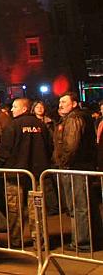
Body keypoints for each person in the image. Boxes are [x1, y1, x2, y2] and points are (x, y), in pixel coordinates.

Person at [0, 97, 52, 248]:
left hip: (15, 175)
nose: (11, 110)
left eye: (15, 107)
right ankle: (39, 241)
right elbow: (49, 147)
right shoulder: (41, 125)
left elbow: (5, 150)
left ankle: (15, 240)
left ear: (24, 108)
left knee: (14, 209)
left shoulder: (12, 126)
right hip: (37, 174)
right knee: (37, 209)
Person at [53, 91, 97, 251]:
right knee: (83, 205)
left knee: (79, 206)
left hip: (75, 168)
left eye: (64, 102)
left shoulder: (73, 119)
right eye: (60, 102)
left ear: (74, 103)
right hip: (80, 166)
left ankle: (82, 241)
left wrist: (63, 163)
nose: (61, 105)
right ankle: (88, 238)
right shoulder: (78, 117)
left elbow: (71, 146)